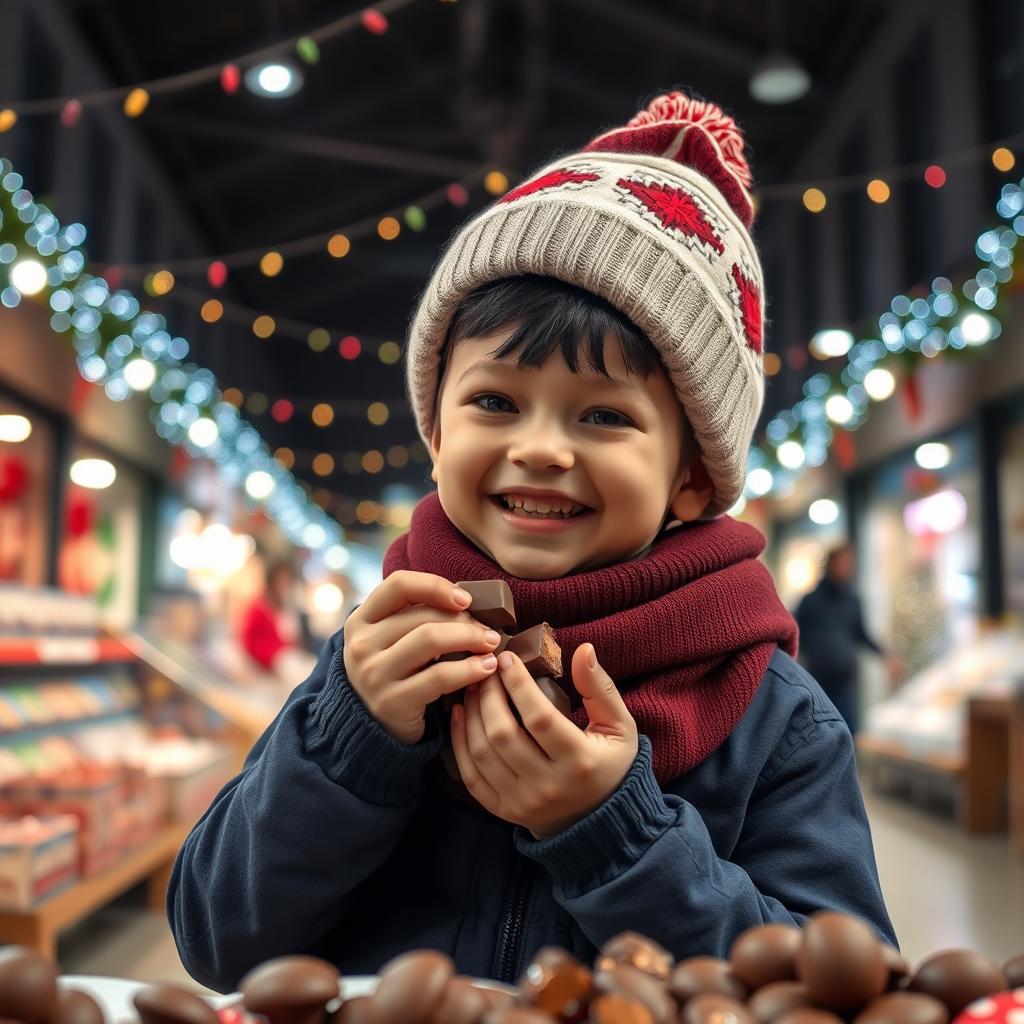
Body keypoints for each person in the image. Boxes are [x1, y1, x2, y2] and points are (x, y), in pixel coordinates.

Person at [167, 91, 896, 992]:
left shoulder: (770, 714)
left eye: (603, 415)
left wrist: (613, 831)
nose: (541, 448)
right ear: (436, 431)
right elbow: (215, 938)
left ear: (692, 476)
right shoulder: (378, 655)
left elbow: (843, 986)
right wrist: (351, 739)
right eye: (494, 401)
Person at [795, 544, 894, 736]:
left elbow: (862, 634)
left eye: (849, 564)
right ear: (830, 565)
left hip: (845, 681)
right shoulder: (810, 601)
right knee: (819, 734)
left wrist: (886, 656)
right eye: (842, 563)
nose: (846, 568)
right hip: (817, 681)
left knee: (849, 732)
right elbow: (795, 633)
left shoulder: (853, 600)